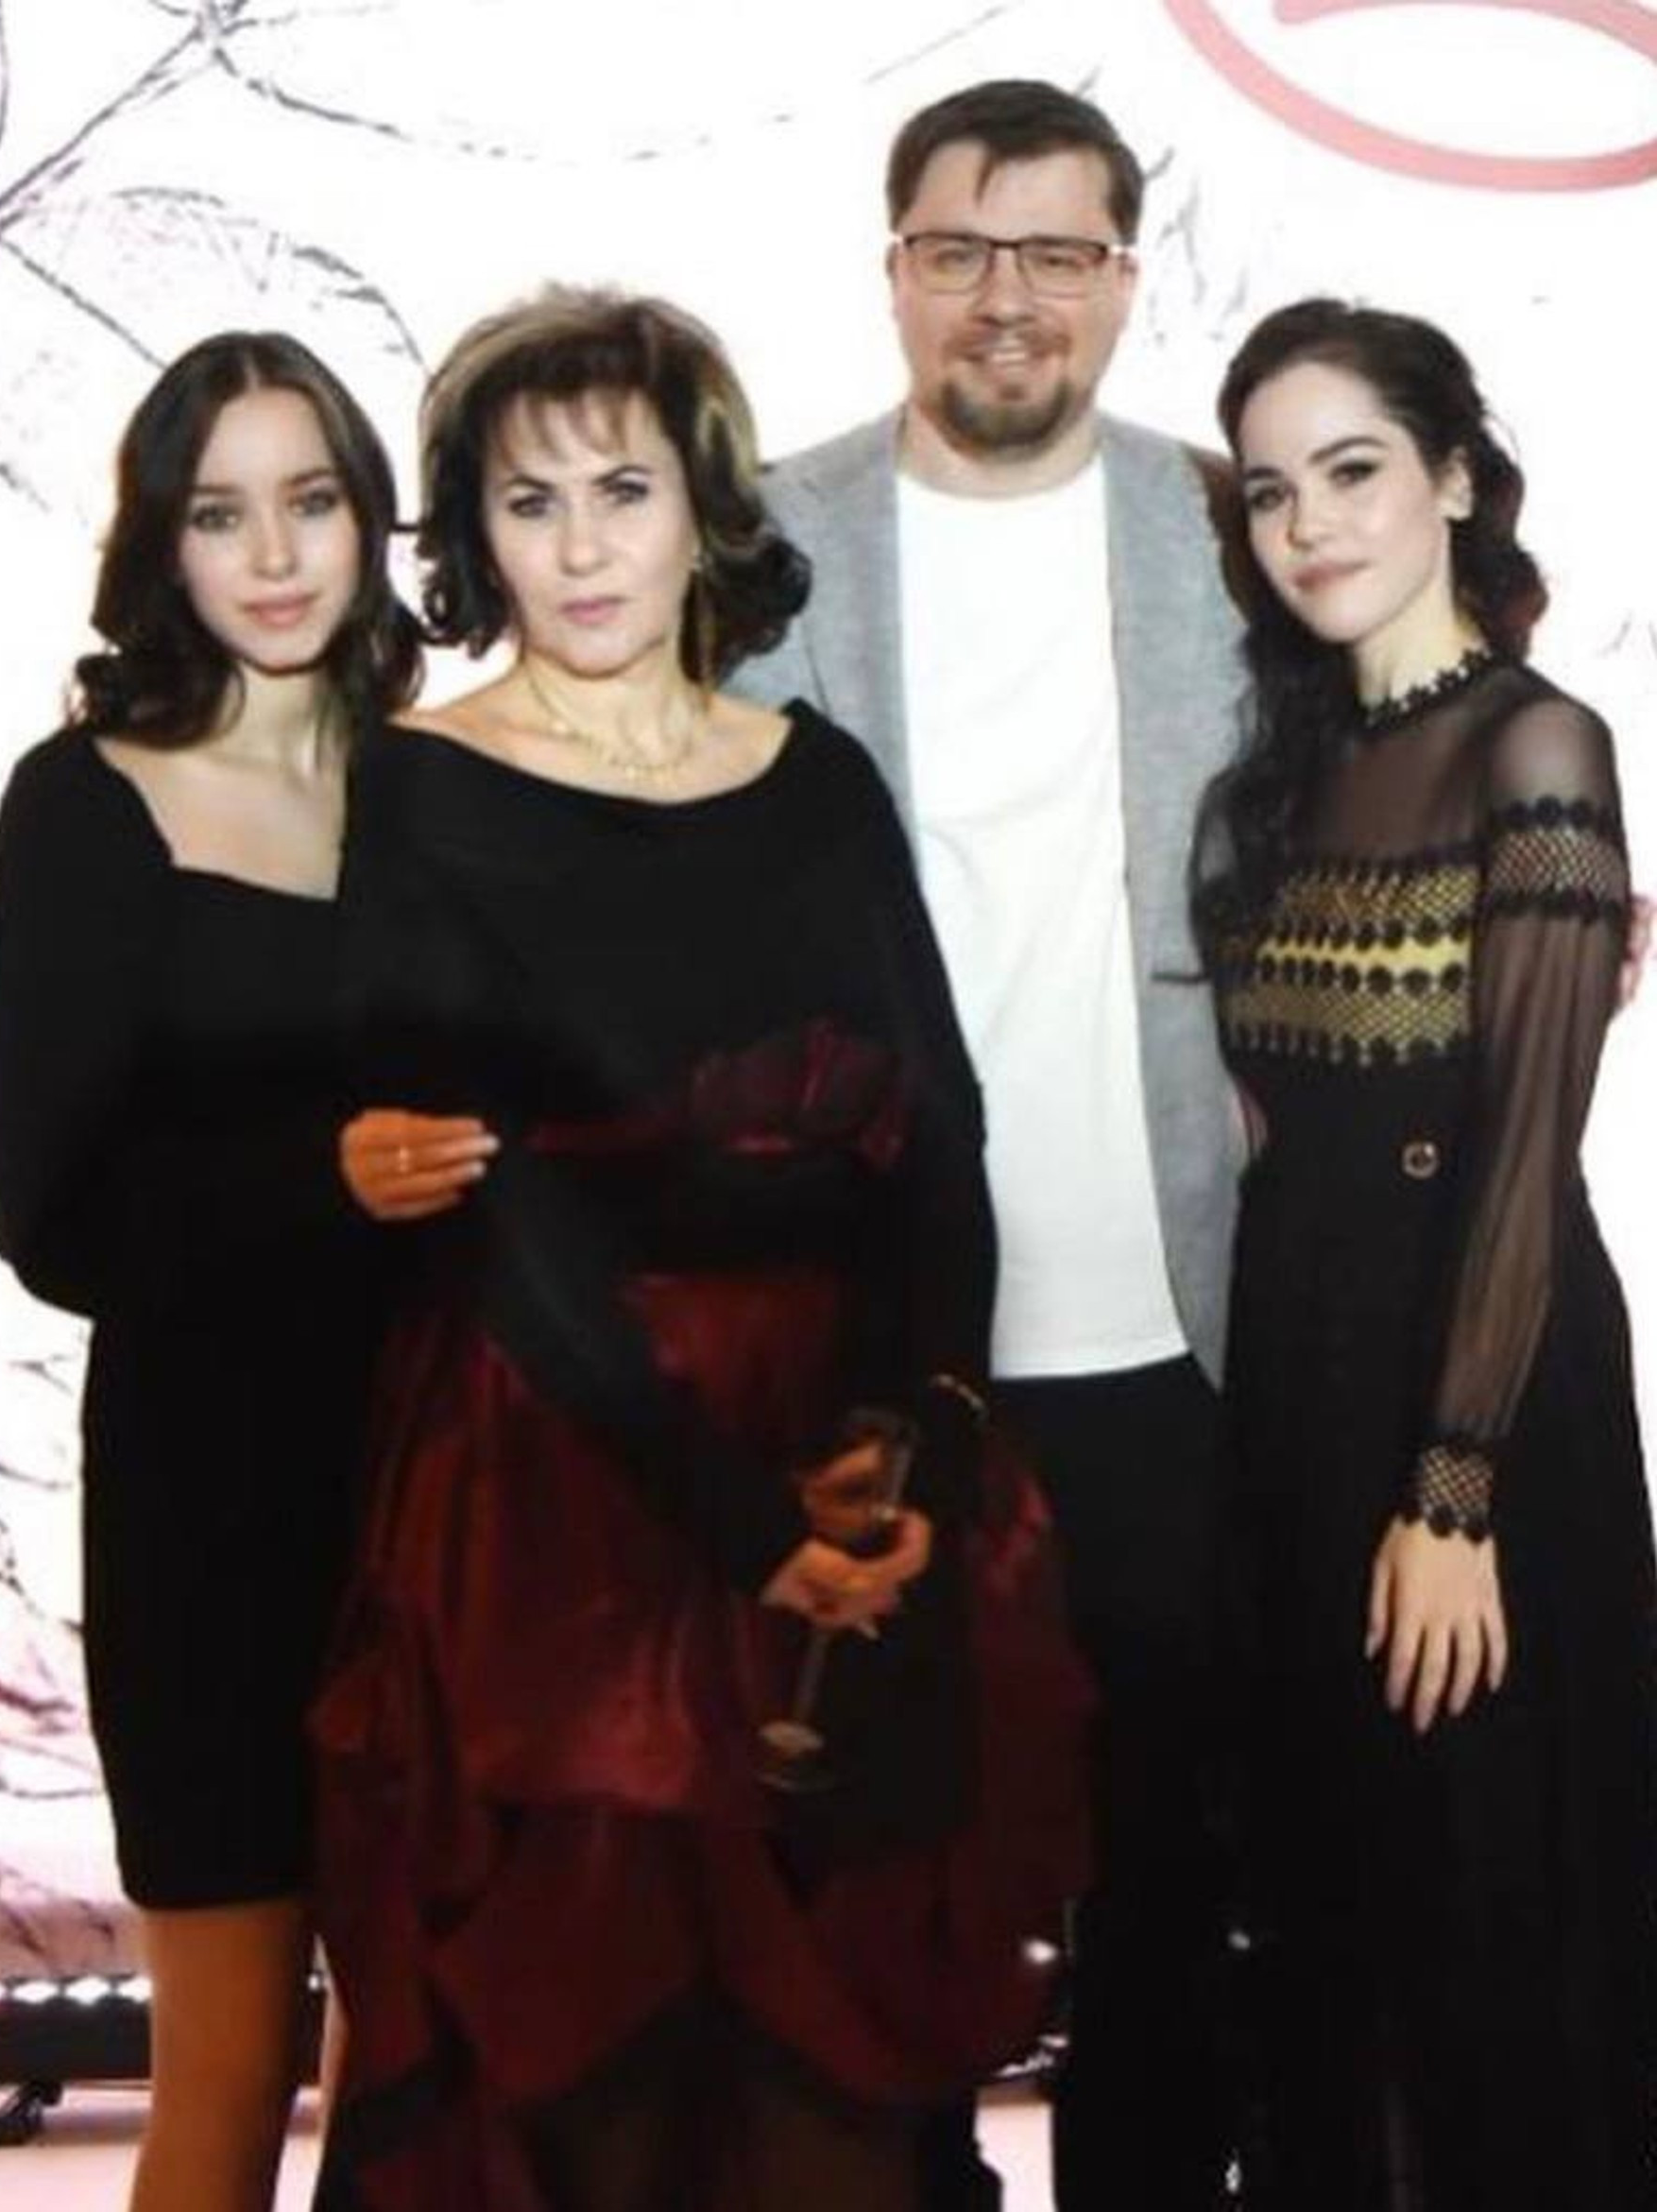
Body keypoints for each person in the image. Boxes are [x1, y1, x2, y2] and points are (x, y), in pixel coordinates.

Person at [307, 285, 1093, 2212]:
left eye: (624, 490)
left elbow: (940, 1139)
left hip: (838, 1465)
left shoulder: (814, 777)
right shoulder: (416, 788)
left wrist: (912, 1439)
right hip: (556, 1494)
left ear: (702, 510)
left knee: (837, 2111)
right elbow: (492, 1217)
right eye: (530, 501)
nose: (581, 548)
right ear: (474, 536)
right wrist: (743, 1530)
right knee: (586, 2090)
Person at [735, 79, 1250, 2211]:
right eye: (957, 249)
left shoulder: (1229, 526)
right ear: (893, 273)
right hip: (870, 1326)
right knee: (873, 1864)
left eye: (1054, 252)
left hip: (1171, 1316)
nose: (1004, 296)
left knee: (1173, 1856)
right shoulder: (756, 536)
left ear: (1124, 279)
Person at [0, 331, 435, 2212]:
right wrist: (319, 1179)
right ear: (160, 542)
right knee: (227, 2084)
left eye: (310, 501)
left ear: (370, 521)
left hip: (446, 1492)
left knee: (418, 2081)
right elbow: (38, 1204)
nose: (274, 553)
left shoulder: (442, 790)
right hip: (205, 1510)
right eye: (221, 511)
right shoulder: (82, 801)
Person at [1195, 297, 1656, 2208]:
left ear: (1454, 479)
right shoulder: (1283, 770)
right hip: (1295, 1394)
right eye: (1268, 490)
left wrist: (1451, 1489)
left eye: (1352, 469)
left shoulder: (1538, 743)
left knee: (1487, 1922)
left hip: (1481, 1398)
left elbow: (1522, 1155)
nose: (1307, 524)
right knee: (1333, 1916)